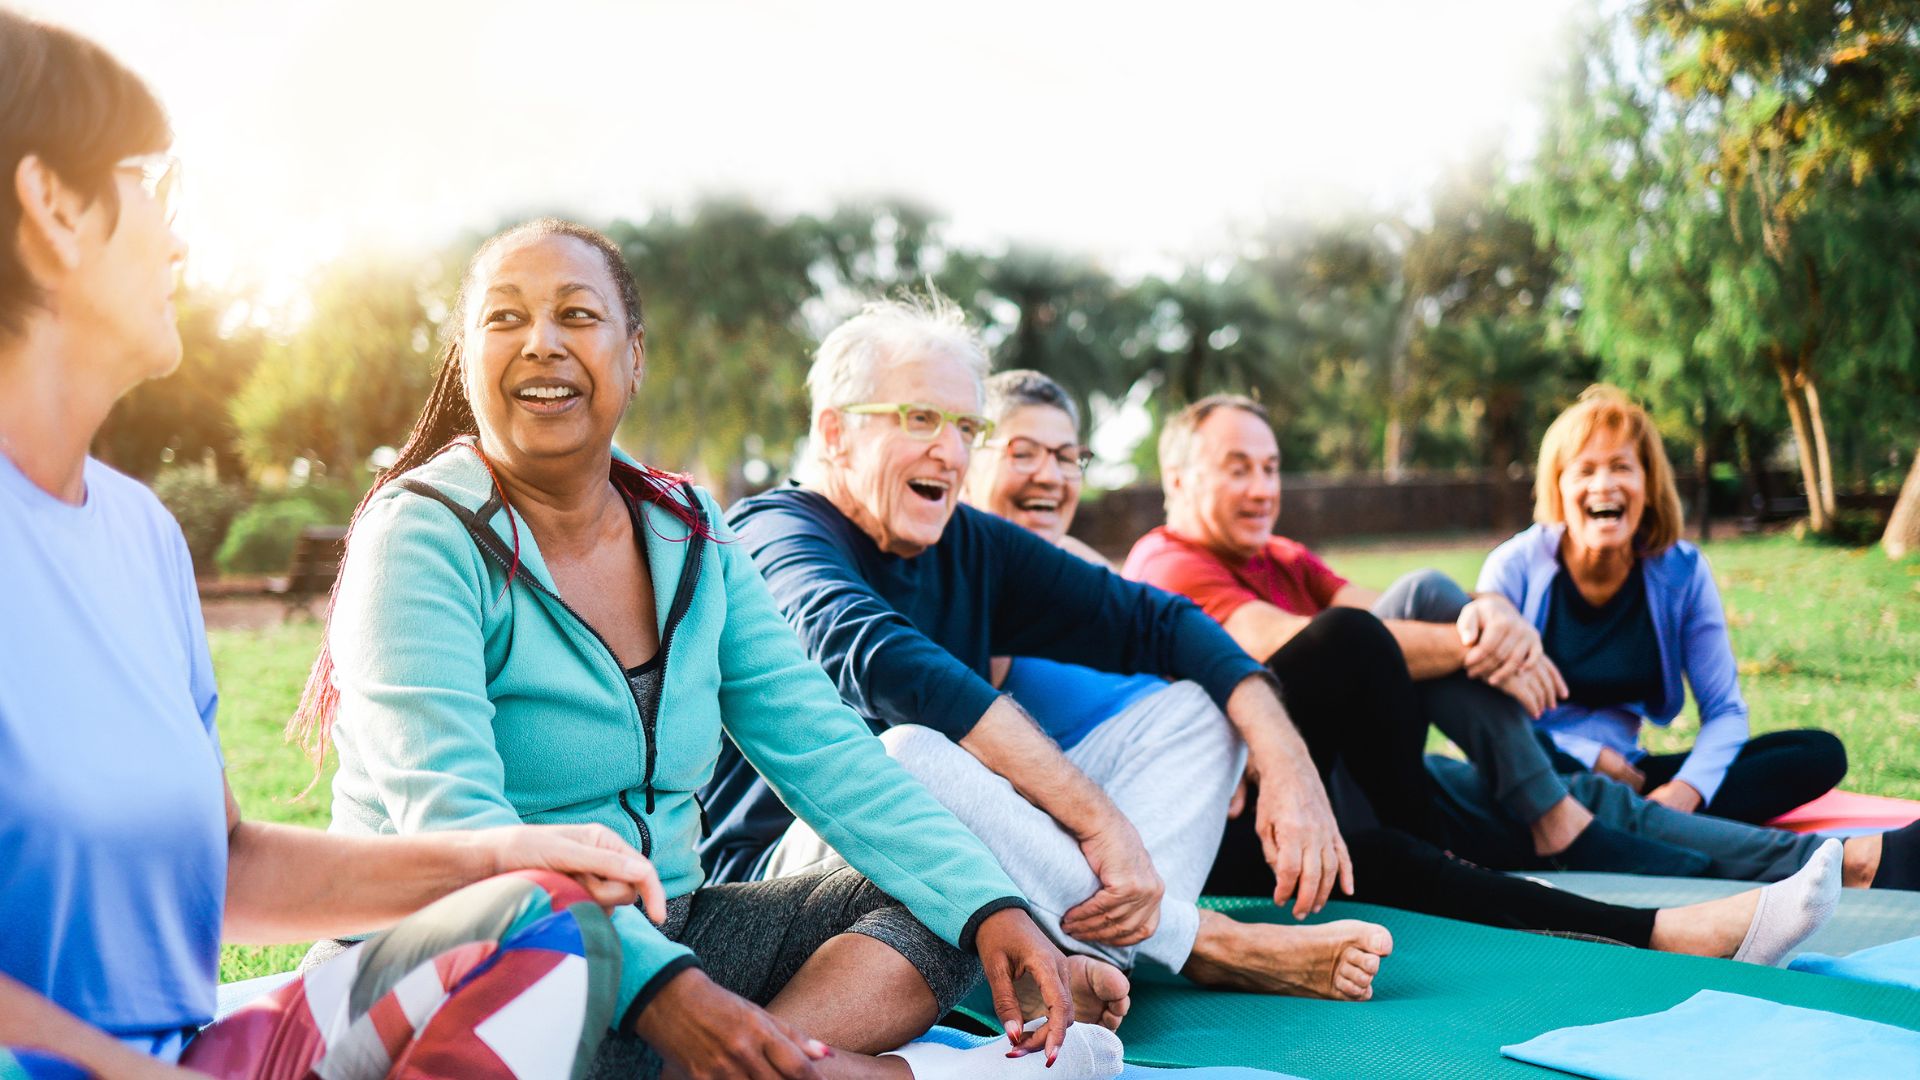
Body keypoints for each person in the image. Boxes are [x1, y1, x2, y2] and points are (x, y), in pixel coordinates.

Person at [0, 13, 664, 1078]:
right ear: (52, 206)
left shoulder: (139, 537)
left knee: (537, 921)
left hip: (208, 1055)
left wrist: (503, 857)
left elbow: (225, 865)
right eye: (154, 188)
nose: (177, 239)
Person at [295, 220, 1114, 1080]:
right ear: (466, 357)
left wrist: (991, 905)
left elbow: (827, 749)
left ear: (633, 355)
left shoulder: (688, 530)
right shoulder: (419, 537)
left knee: (928, 905)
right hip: (464, 959)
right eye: (504, 320)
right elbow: (458, 825)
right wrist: (667, 996)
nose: (541, 343)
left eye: (577, 315)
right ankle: (807, 1069)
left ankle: (726, 1069)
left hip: (672, 933)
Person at [957, 370, 1852, 964]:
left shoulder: (1088, 572)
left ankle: (1792, 857)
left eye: (1067, 456)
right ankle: (1675, 917)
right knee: (1408, 811)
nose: (1051, 475)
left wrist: (1477, 615)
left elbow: (1299, 635)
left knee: (1504, 802)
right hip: (1191, 809)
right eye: (1022, 452)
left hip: (1251, 773)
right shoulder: (994, 580)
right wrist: (1481, 632)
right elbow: (1265, 650)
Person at [707, 297, 1398, 1003]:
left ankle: (1090, 962)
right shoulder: (770, 534)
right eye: (918, 418)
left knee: (1200, 707)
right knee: (908, 752)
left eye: (966, 426)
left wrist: (1286, 758)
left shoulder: (969, 540)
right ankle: (1200, 943)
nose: (948, 450)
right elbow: (879, 660)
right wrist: (1099, 821)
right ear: (834, 432)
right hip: (783, 882)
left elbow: (1164, 622)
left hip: (959, 881)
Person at [1125, 392, 1920, 893]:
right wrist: (1479, 632)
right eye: (1239, 469)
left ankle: (1842, 863)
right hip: (1281, 810)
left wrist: (1478, 613)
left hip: (1362, 777)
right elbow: (1308, 643)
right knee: (1552, 769)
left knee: (1586, 793)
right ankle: (1832, 863)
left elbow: (1384, 609)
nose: (1264, 488)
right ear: (1178, 481)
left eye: (1270, 467)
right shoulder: (1169, 562)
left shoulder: (1277, 555)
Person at [1480, 386, 1848, 826]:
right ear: (1558, 487)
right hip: (1539, 766)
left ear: (1648, 487)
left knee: (1817, 754)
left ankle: (1642, 820)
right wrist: (1589, 756)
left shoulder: (1683, 571)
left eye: (1621, 467)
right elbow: (1484, 712)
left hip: (1634, 775)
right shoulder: (1513, 567)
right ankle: (1632, 824)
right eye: (1585, 470)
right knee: (1499, 771)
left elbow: (1725, 712)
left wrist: (1684, 791)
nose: (1604, 484)